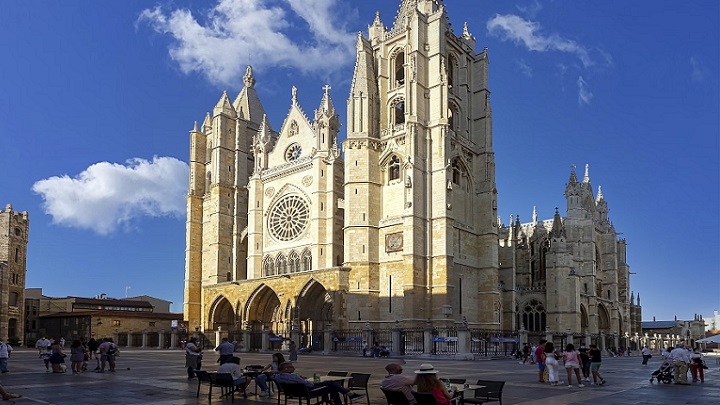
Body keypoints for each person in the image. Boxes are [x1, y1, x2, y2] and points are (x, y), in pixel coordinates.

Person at [273, 361, 357, 405]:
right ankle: (346, 394)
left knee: (329, 383)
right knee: (332, 386)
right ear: (286, 369)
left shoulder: (277, 377)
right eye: (291, 367)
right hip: (308, 392)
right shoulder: (294, 376)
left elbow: (275, 375)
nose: (294, 368)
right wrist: (308, 381)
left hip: (293, 392)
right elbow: (308, 384)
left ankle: (346, 393)